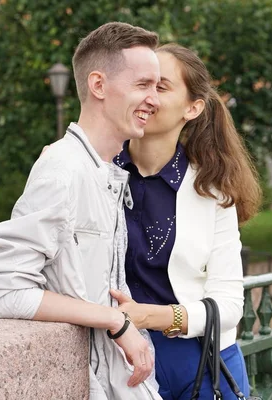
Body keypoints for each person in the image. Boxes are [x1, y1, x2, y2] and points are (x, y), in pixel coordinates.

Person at [0, 22, 163, 400]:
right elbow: (6, 292)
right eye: (143, 85)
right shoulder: (62, 169)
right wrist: (114, 320)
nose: (154, 100)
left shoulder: (104, 170)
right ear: (98, 86)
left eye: (157, 88)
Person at [111, 43, 262, 399]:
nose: (147, 96)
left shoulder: (213, 193)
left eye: (160, 87)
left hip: (204, 365)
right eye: (140, 84)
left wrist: (150, 317)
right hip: (118, 362)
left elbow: (228, 305)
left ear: (192, 108)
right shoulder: (94, 172)